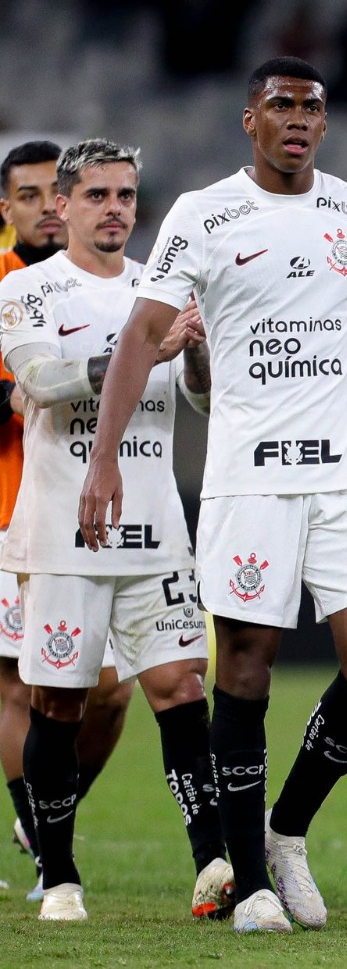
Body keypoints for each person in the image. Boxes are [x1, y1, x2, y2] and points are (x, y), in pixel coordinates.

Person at [77, 55, 347, 934]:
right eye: (281, 106)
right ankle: (252, 882)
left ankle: (285, 831)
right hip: (249, 474)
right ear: (248, 121)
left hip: (344, 470)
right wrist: (103, 459)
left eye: (312, 108)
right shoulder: (204, 215)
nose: (298, 120)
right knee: (246, 665)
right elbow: (144, 335)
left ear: (324, 124)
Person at [0, 139, 228, 922]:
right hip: (64, 530)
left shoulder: (157, 291)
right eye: (97, 195)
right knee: (58, 702)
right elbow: (36, 383)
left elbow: (195, 401)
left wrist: (191, 357)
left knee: (179, 686)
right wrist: (135, 353)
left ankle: (213, 866)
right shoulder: (30, 291)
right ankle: (59, 876)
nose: (115, 210)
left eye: (126, 195)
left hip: (154, 526)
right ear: (61, 206)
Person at [0, 140, 132, 898]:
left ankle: (42, 821)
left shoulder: (92, 284)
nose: (48, 205)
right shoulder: (12, 285)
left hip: (95, 514)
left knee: (111, 690)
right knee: (24, 688)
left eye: (59, 191)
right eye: (30, 195)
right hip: (15, 510)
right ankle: (52, 850)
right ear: (9, 209)